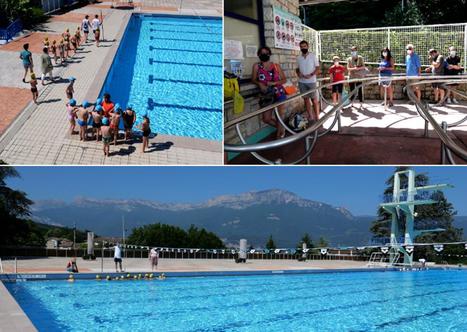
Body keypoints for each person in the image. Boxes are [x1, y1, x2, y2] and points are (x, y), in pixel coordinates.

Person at [251, 46, 287, 138]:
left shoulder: (276, 66)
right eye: (262, 53)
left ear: (269, 54)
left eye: (266, 53)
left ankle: (280, 137)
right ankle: (282, 129)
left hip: (279, 92)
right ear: (258, 55)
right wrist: (259, 84)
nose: (264, 55)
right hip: (266, 94)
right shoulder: (256, 66)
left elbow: (284, 80)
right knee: (266, 118)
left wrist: (274, 82)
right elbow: (253, 79)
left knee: (279, 116)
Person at [296, 40, 321, 122]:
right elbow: (297, 69)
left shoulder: (313, 56)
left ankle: (317, 116)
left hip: (312, 81)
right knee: (306, 99)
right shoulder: (298, 58)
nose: (303, 48)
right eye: (301, 47)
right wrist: (299, 73)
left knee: (314, 100)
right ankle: (310, 116)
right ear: (300, 48)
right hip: (302, 82)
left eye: (304, 46)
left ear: (308, 46)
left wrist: (311, 75)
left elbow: (317, 68)